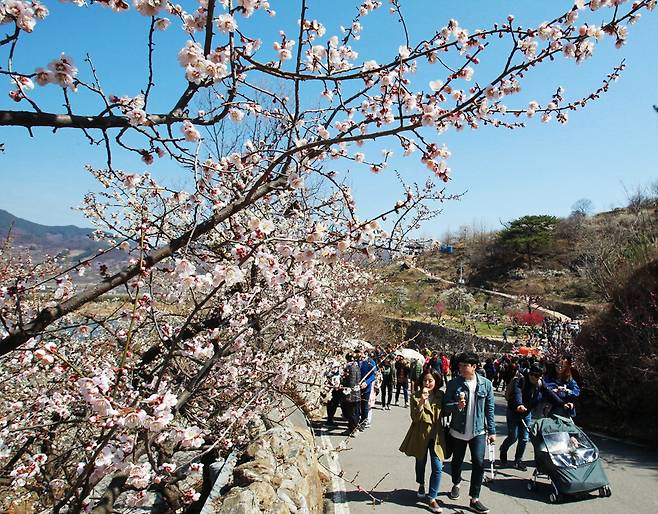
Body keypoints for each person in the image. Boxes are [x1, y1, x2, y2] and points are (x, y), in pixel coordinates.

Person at [443, 352, 496, 514]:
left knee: (479, 463)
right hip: (458, 430)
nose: (461, 368)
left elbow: (490, 409)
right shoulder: (454, 384)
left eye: (464, 365)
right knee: (457, 461)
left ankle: (475, 498)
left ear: (474, 367)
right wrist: (456, 406)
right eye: (459, 365)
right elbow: (445, 407)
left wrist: (492, 431)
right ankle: (456, 483)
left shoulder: (486, 385)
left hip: (478, 431)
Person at [499, 363, 574, 471]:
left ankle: (518, 460)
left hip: (527, 412)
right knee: (513, 436)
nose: (535, 378)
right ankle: (503, 449)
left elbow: (549, 394)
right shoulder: (520, 380)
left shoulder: (540, 383)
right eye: (533, 375)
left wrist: (562, 404)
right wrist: (519, 404)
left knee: (524, 438)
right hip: (514, 411)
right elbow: (517, 393)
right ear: (530, 373)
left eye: (538, 376)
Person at [399, 370, 447, 513]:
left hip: (437, 436)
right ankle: (421, 483)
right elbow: (415, 418)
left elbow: (445, 412)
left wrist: (458, 406)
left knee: (437, 467)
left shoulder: (440, 395)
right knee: (420, 462)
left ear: (436, 382)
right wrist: (421, 402)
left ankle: (432, 498)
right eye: (425, 380)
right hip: (421, 435)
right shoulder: (415, 396)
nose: (427, 383)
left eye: (430, 381)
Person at [341, 353, 362, 436]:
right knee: (354, 412)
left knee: (351, 413)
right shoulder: (357, 367)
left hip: (350, 393)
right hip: (356, 392)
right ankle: (351, 428)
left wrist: (343, 385)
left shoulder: (349, 367)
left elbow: (350, 381)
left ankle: (353, 429)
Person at [359, 350, 378, 429]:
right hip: (356, 386)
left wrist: (366, 382)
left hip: (366, 387)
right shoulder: (356, 361)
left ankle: (363, 422)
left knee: (364, 405)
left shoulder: (370, 362)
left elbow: (374, 375)